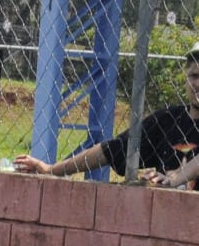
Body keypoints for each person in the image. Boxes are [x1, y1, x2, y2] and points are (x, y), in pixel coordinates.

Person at [13, 42, 199, 184]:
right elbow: (110, 150)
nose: (198, 84)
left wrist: (174, 179)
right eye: (194, 76)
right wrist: (51, 170)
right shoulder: (168, 120)